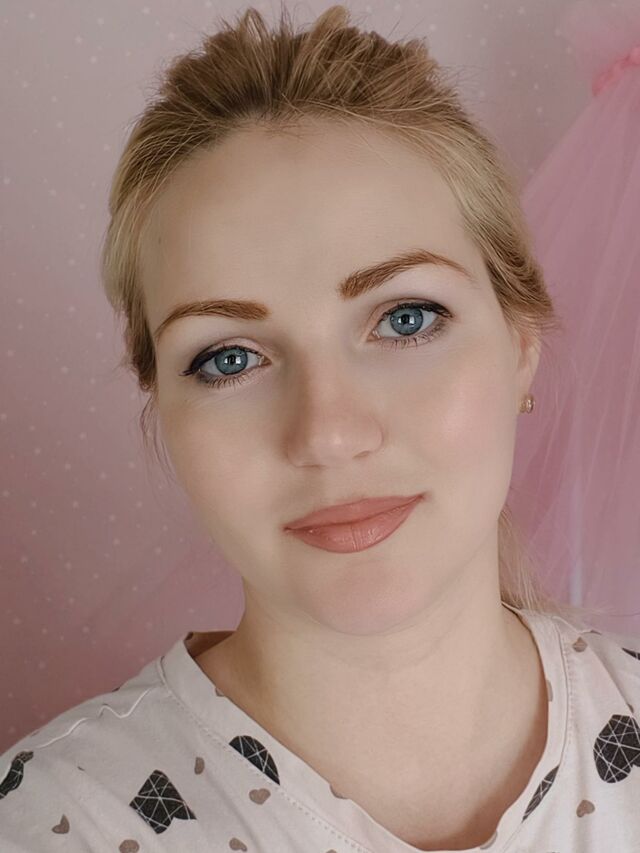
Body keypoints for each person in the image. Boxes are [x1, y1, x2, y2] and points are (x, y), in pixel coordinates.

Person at [2, 5, 639, 852]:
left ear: (521, 343)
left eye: (406, 319)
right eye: (229, 358)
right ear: (162, 410)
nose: (329, 434)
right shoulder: (48, 824)